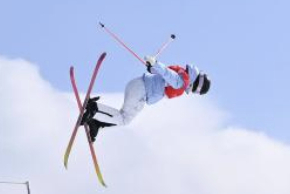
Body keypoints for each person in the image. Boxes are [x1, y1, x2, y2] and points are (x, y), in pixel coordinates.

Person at [80, 58, 210, 142]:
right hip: (140, 90)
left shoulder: (180, 75)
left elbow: (160, 72)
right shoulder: (180, 80)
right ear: (196, 82)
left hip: (138, 87)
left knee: (123, 117)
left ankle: (96, 122)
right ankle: (94, 112)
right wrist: (155, 63)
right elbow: (166, 73)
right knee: (124, 119)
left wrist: (152, 66)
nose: (192, 91)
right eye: (196, 90)